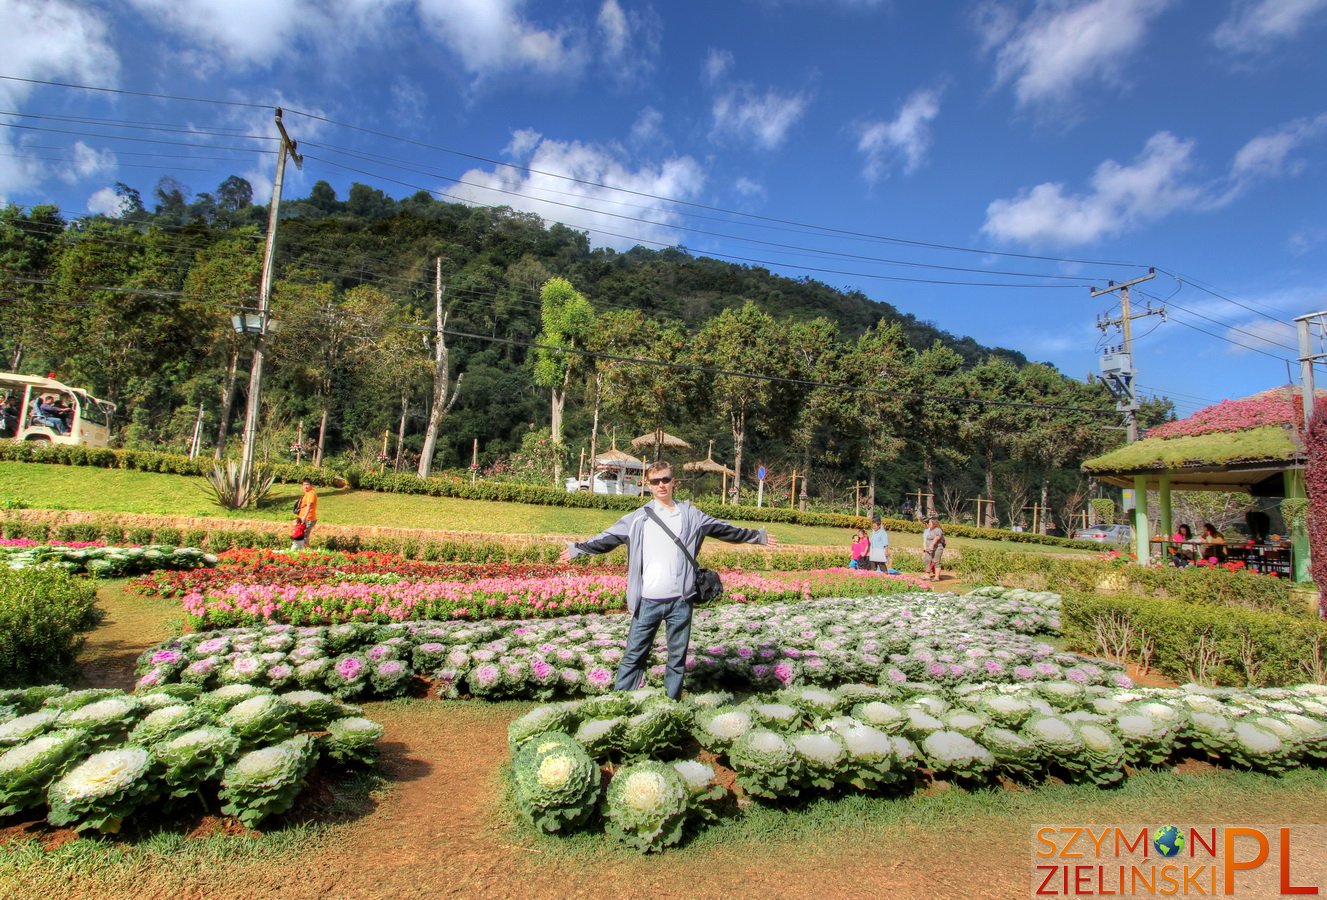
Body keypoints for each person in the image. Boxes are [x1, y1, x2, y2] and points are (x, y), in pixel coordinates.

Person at [559, 460, 777, 700]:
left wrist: (758, 536)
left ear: (674, 482)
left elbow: (724, 529)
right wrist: (577, 549)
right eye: (655, 481)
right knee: (633, 655)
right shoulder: (637, 519)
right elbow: (607, 539)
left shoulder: (692, 516)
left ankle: (670, 703)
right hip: (647, 601)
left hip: (680, 601)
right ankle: (620, 703)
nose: (661, 485)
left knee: (677, 658)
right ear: (648, 485)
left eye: (665, 479)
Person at [292, 479, 318, 550]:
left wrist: (304, 517)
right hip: (303, 518)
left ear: (311, 485)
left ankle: (310, 553)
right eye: (304, 485)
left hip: (308, 518)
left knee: (305, 537)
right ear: (302, 485)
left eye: (307, 484)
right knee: (301, 536)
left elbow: (309, 506)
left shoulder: (311, 493)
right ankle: (303, 551)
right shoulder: (307, 493)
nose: (306, 486)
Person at [922, 516, 946, 582]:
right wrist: (926, 548)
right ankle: (927, 575)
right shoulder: (930, 530)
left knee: (936, 561)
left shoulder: (938, 529)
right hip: (929, 549)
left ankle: (936, 577)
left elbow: (937, 538)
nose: (928, 523)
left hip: (937, 548)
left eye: (929, 522)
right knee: (927, 560)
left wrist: (932, 545)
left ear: (934, 523)